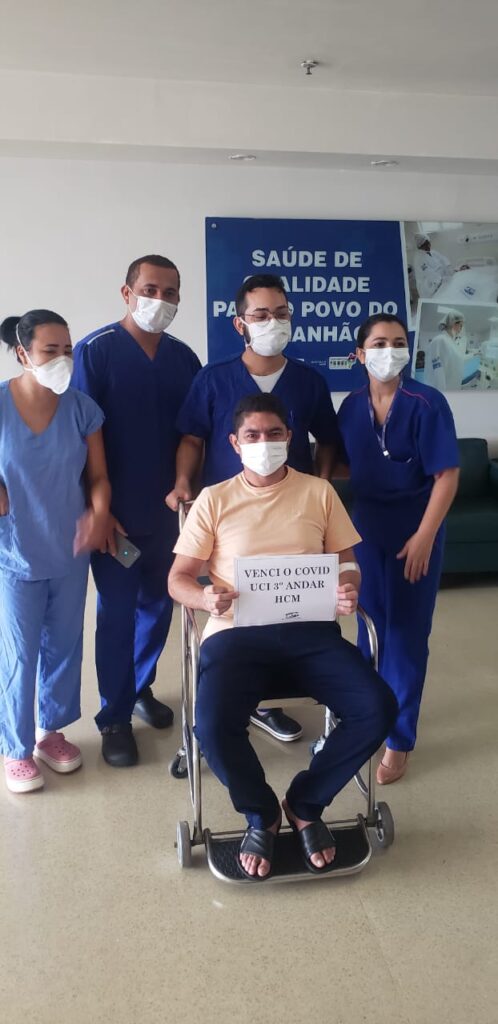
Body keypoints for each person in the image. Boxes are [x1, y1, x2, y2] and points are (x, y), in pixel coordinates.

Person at [168, 393, 397, 880]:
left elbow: (347, 562)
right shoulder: (214, 499)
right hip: (236, 634)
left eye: (274, 433)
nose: (264, 443)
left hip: (311, 632)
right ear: (235, 443)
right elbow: (178, 579)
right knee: (212, 727)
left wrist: (348, 589)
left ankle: (305, 804)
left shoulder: (318, 492)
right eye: (252, 435)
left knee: (377, 708)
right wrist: (204, 598)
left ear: (290, 438)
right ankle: (262, 813)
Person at [167, 272, 342, 743]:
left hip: (293, 520)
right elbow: (191, 438)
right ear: (240, 322)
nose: (273, 322)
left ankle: (268, 699)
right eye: (261, 314)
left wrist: (323, 486)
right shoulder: (213, 379)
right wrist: (183, 482)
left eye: (281, 313)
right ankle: (233, 704)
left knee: (285, 610)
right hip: (231, 525)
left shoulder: (308, 381)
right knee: (236, 613)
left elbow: (327, 439)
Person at [72, 255, 201, 767]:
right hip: (117, 521)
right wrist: (98, 508)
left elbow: (194, 433)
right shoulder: (96, 352)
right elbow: (80, 436)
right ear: (127, 293)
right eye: (150, 289)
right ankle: (114, 717)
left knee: (158, 608)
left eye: (170, 292)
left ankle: (139, 686)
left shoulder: (184, 358)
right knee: (119, 614)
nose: (160, 300)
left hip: (169, 519)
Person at [338, 313, 460, 784]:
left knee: (406, 636)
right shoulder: (351, 407)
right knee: (369, 630)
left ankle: (399, 738)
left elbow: (446, 475)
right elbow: (343, 465)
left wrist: (426, 535)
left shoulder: (426, 403)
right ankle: (365, 720)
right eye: (378, 343)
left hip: (417, 529)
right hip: (367, 530)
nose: (389, 351)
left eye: (398, 342)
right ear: (359, 354)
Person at [0, 309, 110, 794]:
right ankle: (15, 747)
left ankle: (51, 732)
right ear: (23, 354)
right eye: (51, 350)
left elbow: (98, 477)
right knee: (19, 654)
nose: (63, 358)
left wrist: (99, 514)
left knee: (64, 646)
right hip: (15, 550)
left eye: (68, 349)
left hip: (69, 546)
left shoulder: (82, 408)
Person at [424, 309, 469, 391]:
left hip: (452, 388)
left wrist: (473, 354)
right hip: (442, 393)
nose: (461, 329)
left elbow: (458, 359)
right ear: (454, 324)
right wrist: (442, 395)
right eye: (460, 326)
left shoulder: (451, 343)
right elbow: (438, 373)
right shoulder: (440, 341)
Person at [412, 234, 468, 299]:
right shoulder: (419, 259)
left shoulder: (433, 253)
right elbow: (430, 274)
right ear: (420, 246)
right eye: (426, 244)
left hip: (440, 283)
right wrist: (445, 279)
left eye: (429, 243)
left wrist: (455, 271)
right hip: (429, 289)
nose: (429, 245)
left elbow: (445, 262)